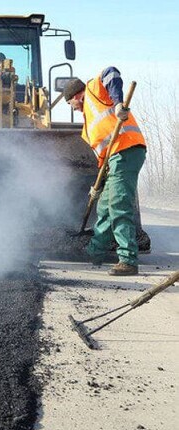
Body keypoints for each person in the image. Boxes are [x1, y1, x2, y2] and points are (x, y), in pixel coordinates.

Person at [63, 67, 146, 276]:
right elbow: (102, 158)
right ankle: (95, 252)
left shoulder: (92, 90)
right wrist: (97, 187)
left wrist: (118, 104)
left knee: (118, 204)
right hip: (113, 160)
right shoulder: (87, 127)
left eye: (69, 103)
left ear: (76, 95)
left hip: (126, 150)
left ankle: (128, 260)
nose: (71, 108)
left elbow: (112, 73)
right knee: (105, 207)